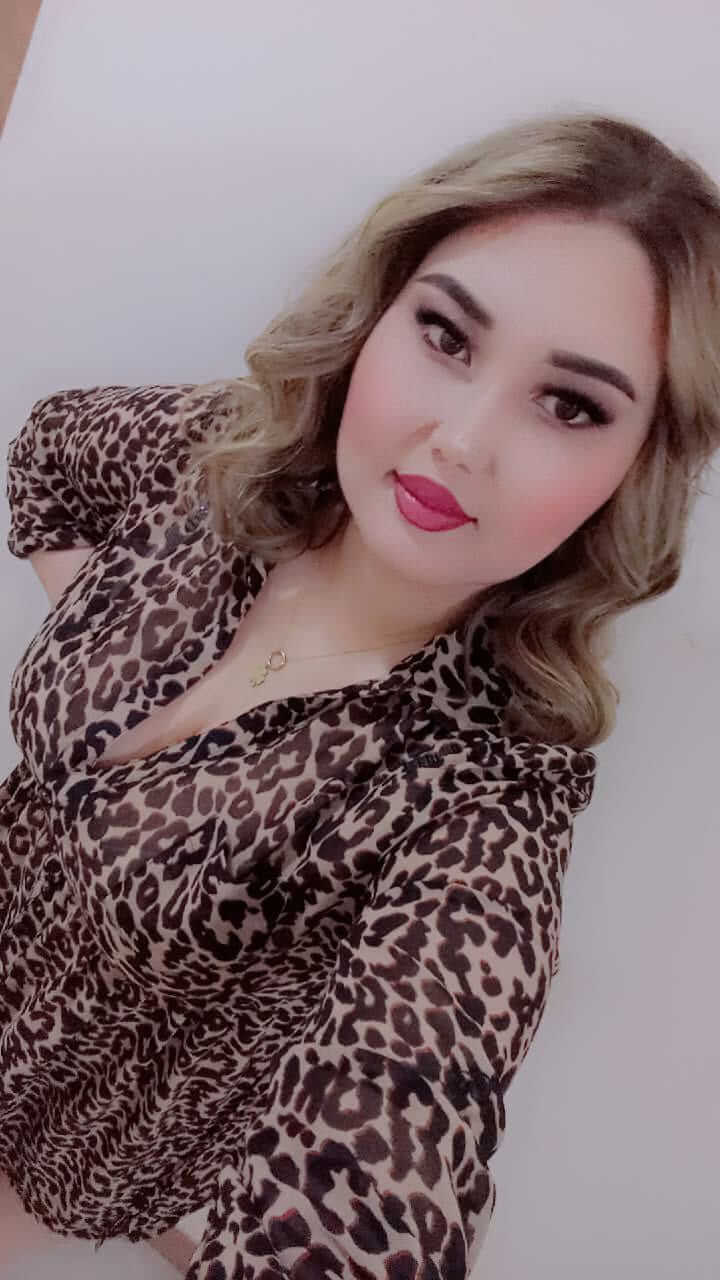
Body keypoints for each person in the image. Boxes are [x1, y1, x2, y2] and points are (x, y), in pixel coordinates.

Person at [2, 108, 719, 1280]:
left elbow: (392, 1140)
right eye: (446, 334)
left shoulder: (479, 802)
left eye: (571, 405)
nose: (462, 439)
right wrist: (103, 623)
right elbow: (45, 456)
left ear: (635, 469)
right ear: (378, 311)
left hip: (90, 1117)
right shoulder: (218, 465)